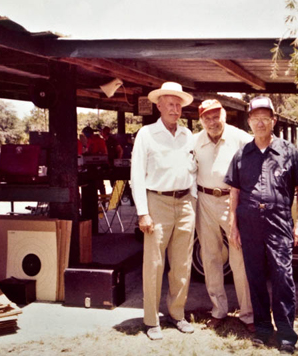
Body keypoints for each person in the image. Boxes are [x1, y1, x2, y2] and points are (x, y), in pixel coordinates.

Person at [224, 96, 298, 354]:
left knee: (283, 278)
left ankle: (286, 335)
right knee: (256, 278)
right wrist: (233, 224)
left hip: (279, 223)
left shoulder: (288, 151)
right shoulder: (242, 154)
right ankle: (262, 330)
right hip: (249, 224)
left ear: (273, 120)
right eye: (255, 118)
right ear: (249, 121)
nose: (260, 123)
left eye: (265, 118)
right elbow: (234, 192)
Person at [131, 82, 197, 341]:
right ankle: (151, 320)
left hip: (184, 204)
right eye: (169, 104)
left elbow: (193, 170)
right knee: (154, 264)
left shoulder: (187, 135)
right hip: (156, 203)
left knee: (182, 264)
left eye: (178, 104)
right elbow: (136, 175)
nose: (175, 108)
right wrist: (142, 212)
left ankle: (177, 314)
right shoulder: (146, 134)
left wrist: (192, 202)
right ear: (158, 106)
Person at [193, 99, 255, 332]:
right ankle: (218, 310)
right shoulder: (195, 140)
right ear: (201, 120)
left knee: (239, 258)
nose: (212, 121)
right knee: (210, 257)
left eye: (215, 116)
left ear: (224, 116)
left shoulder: (240, 137)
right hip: (204, 200)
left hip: (233, 201)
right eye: (207, 117)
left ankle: (248, 314)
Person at [82, 126, 108, 195]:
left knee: (98, 183)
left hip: (97, 163)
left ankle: (101, 200)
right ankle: (99, 199)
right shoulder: (93, 139)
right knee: (97, 183)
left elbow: (98, 151)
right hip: (95, 163)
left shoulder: (96, 140)